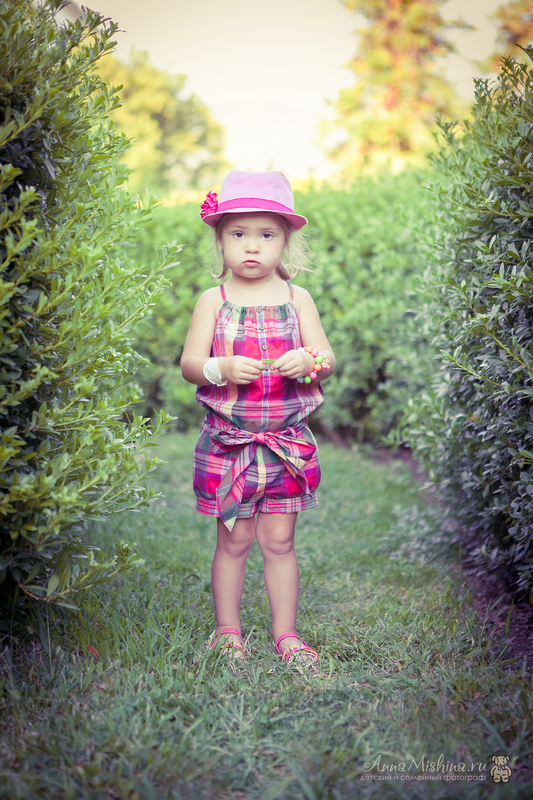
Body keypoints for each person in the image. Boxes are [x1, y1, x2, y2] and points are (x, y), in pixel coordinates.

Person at [180, 171, 335, 665]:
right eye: (239, 234)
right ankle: (227, 630)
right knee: (234, 540)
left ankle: (285, 633)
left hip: (286, 445)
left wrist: (309, 361)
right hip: (230, 445)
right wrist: (220, 368)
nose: (252, 246)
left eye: (266, 234)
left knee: (280, 541)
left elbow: (327, 358)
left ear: (285, 241)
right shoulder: (214, 301)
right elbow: (188, 365)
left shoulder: (297, 299)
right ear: (220, 240)